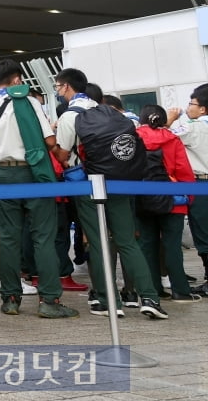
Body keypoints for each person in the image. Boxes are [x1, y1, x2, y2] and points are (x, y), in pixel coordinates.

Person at [53, 68, 162, 319]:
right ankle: (150, 298)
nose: (58, 92)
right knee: (127, 241)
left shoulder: (70, 116)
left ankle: (107, 300)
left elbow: (63, 154)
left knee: (99, 241)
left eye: (58, 87)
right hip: (120, 182)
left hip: (88, 183)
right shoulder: (111, 112)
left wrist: (52, 139)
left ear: (67, 87)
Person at [0, 59, 76, 319]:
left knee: (8, 239)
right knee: (43, 236)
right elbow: (49, 140)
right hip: (34, 173)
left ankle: (10, 299)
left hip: (2, 176)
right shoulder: (30, 102)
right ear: (18, 79)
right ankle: (49, 300)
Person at [135, 104, 198, 302]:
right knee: (172, 246)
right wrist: (189, 197)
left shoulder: (134, 138)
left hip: (142, 198)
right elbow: (184, 170)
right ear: (163, 120)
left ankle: (153, 291)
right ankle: (180, 290)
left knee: (147, 245)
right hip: (173, 199)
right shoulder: (173, 140)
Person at [169, 83, 208, 290]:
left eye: (191, 103)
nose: (188, 107)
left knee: (203, 231)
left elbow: (165, 136)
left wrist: (171, 119)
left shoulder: (193, 127)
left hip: (201, 184)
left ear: (202, 109)